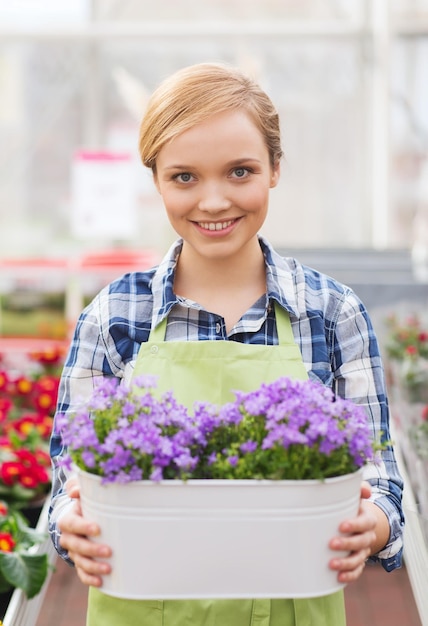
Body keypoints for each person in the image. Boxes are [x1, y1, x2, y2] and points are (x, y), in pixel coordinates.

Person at [49, 62, 404, 626]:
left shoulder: (333, 313)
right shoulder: (114, 316)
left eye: (240, 172)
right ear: (156, 180)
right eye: (184, 177)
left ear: (275, 169)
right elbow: (68, 483)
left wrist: (374, 523)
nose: (213, 202)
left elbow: (380, 479)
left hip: (295, 606)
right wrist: (72, 523)